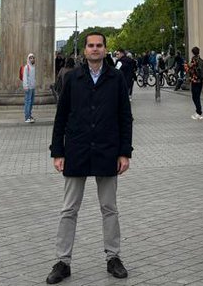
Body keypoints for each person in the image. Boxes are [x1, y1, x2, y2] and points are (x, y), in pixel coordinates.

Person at [46, 32, 133, 284]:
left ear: (106, 49)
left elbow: (125, 118)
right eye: (91, 46)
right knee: (68, 209)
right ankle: (63, 261)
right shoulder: (73, 78)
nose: (95, 49)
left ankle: (113, 257)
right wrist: (57, 151)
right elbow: (61, 116)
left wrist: (125, 152)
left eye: (99, 46)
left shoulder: (116, 78)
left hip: (107, 150)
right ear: (84, 51)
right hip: (77, 149)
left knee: (109, 208)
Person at [187, 47, 203, 120]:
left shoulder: (194, 60)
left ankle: (199, 112)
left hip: (195, 80)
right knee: (198, 96)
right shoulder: (201, 60)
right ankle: (198, 111)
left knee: (195, 97)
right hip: (200, 80)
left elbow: (189, 68)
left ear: (193, 52)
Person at [22, 53, 38, 123]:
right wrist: (25, 86)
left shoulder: (33, 67)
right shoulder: (27, 67)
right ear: (28, 59)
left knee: (31, 102)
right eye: (30, 58)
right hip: (28, 87)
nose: (32, 59)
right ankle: (27, 117)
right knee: (28, 102)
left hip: (32, 87)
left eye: (33, 58)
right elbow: (25, 77)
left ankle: (29, 115)